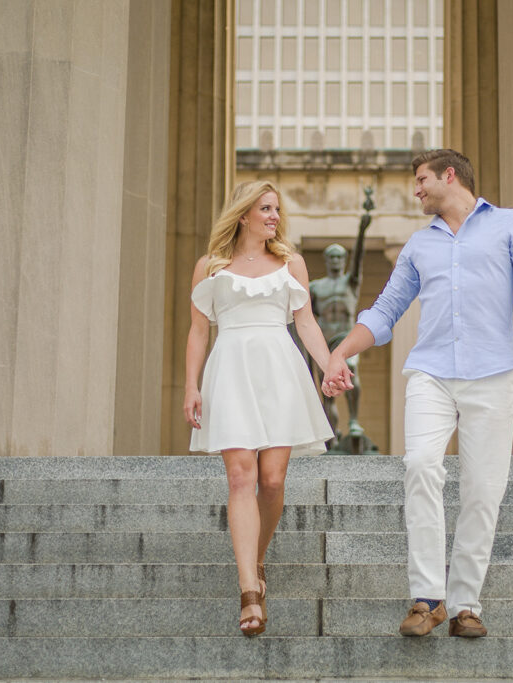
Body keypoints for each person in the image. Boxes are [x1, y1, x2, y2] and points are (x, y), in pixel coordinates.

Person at [324, 149, 513, 638]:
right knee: (420, 466)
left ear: (448, 176)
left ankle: (465, 605)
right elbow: (385, 309)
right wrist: (339, 354)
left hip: (493, 374)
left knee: (483, 488)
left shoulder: (511, 226)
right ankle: (427, 597)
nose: (416, 190)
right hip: (431, 374)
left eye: (421, 180)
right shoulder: (418, 245)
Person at [184, 180, 337, 636]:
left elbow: (305, 323)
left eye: (276, 209)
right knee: (240, 477)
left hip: (280, 373)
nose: (274, 216)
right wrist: (190, 385)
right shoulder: (211, 267)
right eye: (265, 208)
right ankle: (249, 590)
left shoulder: (292, 264)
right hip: (230, 370)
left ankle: (257, 556)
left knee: (271, 480)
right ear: (244, 214)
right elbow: (197, 332)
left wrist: (330, 367)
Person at [308, 188, 373, 447]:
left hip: (345, 339)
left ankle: (354, 420)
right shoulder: (316, 287)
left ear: (344, 260)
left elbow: (359, 259)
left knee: (352, 374)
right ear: (326, 260)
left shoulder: (350, 282)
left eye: (340, 257)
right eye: (331, 257)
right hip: (324, 340)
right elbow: (306, 318)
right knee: (328, 394)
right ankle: (331, 434)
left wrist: (362, 229)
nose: (336, 260)